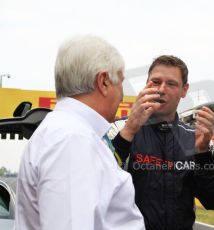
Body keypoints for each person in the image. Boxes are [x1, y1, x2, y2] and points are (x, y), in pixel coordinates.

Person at [15, 35, 145, 230]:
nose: (122, 94)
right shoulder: (72, 139)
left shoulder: (69, 132)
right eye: (121, 83)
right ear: (103, 82)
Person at [111, 55, 214, 230]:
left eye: (171, 84)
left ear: (184, 90)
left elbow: (213, 200)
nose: (162, 89)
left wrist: (203, 153)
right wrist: (128, 132)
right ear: (146, 84)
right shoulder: (119, 128)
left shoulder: (194, 138)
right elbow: (100, 185)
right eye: (156, 82)